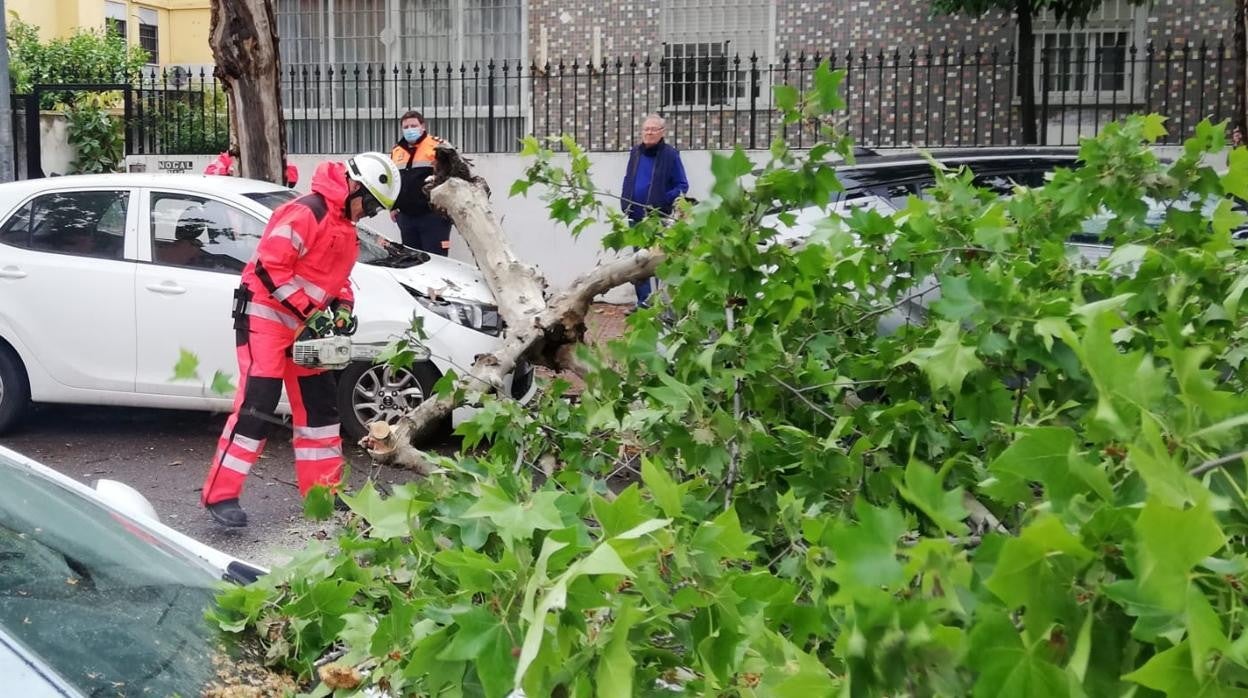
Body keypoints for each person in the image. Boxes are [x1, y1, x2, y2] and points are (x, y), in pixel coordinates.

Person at [200, 152, 401, 528]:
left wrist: (342, 308)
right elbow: (269, 265)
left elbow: (337, 279)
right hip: (264, 318)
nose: (368, 213)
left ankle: (323, 494)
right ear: (355, 186)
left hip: (304, 327)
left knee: (320, 410)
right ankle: (221, 495)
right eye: (370, 204)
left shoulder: (344, 228)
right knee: (257, 406)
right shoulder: (308, 211)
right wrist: (311, 311)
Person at [620, 114, 688, 308]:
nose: (648, 133)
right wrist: (625, 201)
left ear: (662, 132)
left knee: (657, 262)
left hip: (658, 218)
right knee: (638, 263)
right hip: (636, 217)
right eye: (646, 129)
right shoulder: (636, 152)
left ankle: (659, 304)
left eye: (653, 129)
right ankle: (643, 303)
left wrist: (662, 201)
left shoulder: (670, 155)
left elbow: (682, 185)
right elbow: (629, 178)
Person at [389, 110, 452, 255]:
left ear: (423, 126)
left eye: (413, 125)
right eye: (406, 127)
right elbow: (393, 181)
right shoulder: (397, 151)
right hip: (406, 218)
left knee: (436, 262)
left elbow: (452, 177)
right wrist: (392, 207)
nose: (410, 129)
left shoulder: (438, 146)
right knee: (412, 263)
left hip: (433, 217)